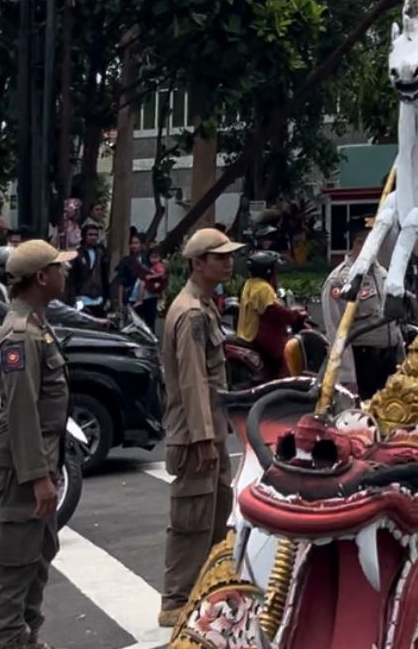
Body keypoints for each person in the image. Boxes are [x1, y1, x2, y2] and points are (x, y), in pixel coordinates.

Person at [158, 228, 243, 627]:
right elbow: (192, 380)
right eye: (219, 257)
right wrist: (204, 438)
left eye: (228, 256)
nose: (227, 262)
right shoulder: (191, 311)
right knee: (192, 522)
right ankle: (176, 601)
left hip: (208, 429)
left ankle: (203, 594)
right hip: (195, 435)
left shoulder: (204, 305)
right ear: (197, 263)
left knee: (214, 516)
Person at [0, 241, 75, 649]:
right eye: (59, 267)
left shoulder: (38, 326)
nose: (66, 273)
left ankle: (29, 640)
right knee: (13, 573)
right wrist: (38, 479)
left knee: (37, 561)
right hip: (21, 476)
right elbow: (22, 414)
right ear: (42, 277)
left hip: (38, 469)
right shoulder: (20, 335)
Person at [322, 218, 404, 399]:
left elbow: (392, 322)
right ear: (357, 243)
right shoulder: (341, 280)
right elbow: (336, 331)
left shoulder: (383, 274)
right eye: (369, 243)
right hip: (363, 363)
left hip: (388, 361)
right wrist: (346, 376)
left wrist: (400, 357)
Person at [237, 251, 307, 373]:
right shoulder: (264, 287)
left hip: (247, 334)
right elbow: (274, 311)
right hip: (260, 335)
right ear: (268, 271)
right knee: (284, 357)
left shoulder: (250, 284)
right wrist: (295, 315)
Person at [66, 219, 109, 313]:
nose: (93, 237)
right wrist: (74, 298)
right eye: (90, 235)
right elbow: (72, 279)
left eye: (95, 235)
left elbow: (104, 276)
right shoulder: (77, 254)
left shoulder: (101, 253)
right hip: (82, 298)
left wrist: (106, 297)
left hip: (99, 298)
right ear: (84, 236)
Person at [111, 232, 151, 314]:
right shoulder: (126, 261)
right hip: (131, 299)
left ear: (142, 245)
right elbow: (121, 282)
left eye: (136, 243)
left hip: (148, 299)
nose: (133, 246)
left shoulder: (148, 260)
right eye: (131, 243)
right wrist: (120, 302)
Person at [137, 248, 167, 330]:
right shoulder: (152, 266)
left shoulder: (159, 266)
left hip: (152, 294)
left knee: (150, 320)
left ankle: (139, 300)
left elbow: (162, 273)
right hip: (150, 292)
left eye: (156, 257)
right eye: (152, 257)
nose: (153, 260)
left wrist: (151, 276)